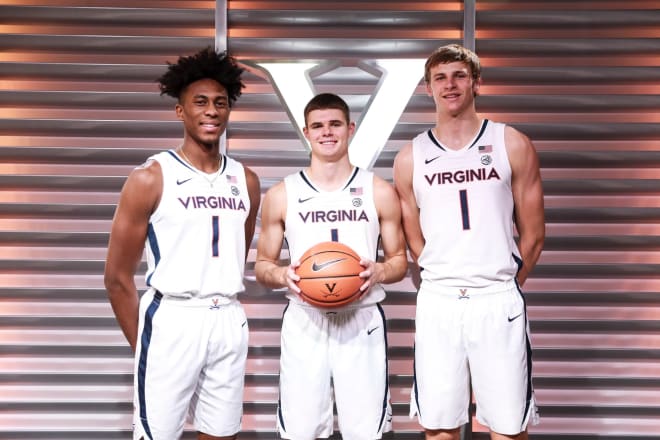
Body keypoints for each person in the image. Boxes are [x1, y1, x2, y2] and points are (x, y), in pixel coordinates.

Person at [104, 47, 261, 440]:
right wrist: (146, 345)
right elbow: (117, 278)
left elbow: (235, 255)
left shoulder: (247, 181)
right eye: (201, 102)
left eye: (221, 103)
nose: (211, 111)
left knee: (222, 434)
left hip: (226, 315)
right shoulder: (151, 177)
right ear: (180, 111)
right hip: (172, 318)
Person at [393, 44, 545, 440]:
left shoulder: (511, 143)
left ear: (477, 82)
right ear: (428, 88)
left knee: (508, 428)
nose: (450, 85)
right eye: (440, 78)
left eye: (459, 75)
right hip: (440, 300)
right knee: (439, 427)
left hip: (497, 299)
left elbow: (534, 234)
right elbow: (414, 239)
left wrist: (502, 282)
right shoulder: (410, 156)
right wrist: (447, 275)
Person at [255, 93, 408, 440]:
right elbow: (263, 266)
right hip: (304, 320)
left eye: (335, 124)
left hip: (362, 318)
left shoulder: (377, 189)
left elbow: (400, 261)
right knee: (301, 431)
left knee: (365, 432)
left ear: (350, 129)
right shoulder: (283, 193)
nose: (327, 132)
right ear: (306, 132)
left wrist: (380, 271)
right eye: (318, 126)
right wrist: (282, 274)